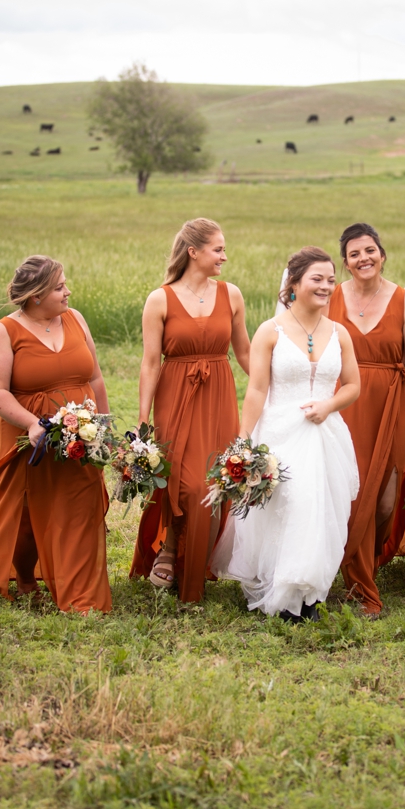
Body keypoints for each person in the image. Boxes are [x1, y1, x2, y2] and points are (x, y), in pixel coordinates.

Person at [211, 248, 361, 619]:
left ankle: (310, 591)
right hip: (280, 432)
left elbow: (353, 385)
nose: (326, 286)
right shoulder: (270, 331)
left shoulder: (340, 333)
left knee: (324, 509)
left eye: (330, 279)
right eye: (317, 279)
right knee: (290, 507)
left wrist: (328, 406)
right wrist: (244, 439)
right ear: (293, 284)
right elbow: (258, 390)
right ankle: (285, 591)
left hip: (326, 435)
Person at [0, 255, 114, 613]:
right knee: (27, 516)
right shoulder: (5, 332)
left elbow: (94, 378)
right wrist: (33, 423)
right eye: (60, 287)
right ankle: (27, 576)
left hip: (82, 437)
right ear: (36, 295)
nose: (68, 292)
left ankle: (81, 596)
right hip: (30, 439)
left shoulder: (75, 319)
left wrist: (104, 427)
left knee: (80, 508)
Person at [326, 223, 405, 616]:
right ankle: (360, 584)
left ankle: (363, 561)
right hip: (342, 404)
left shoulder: (403, 301)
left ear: (382, 254)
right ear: (345, 263)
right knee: (348, 495)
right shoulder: (330, 298)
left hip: (390, 406)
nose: (364, 258)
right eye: (355, 254)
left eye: (370, 251)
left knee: (384, 503)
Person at [132, 218, 251, 601]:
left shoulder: (231, 294)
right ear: (193, 252)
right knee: (184, 481)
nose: (224, 256)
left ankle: (190, 561)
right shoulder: (160, 299)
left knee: (213, 481)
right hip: (176, 394)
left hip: (217, 392)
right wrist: (143, 417)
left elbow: (245, 351)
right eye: (218, 249)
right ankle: (170, 545)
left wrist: (276, 385)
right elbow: (151, 362)